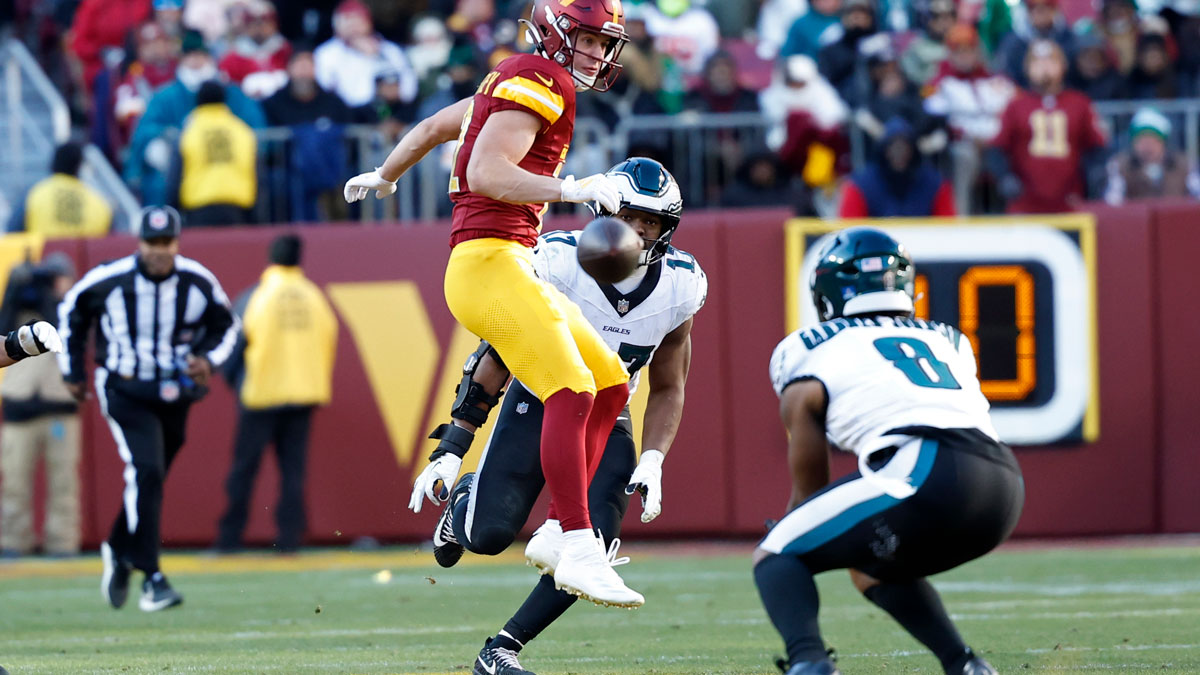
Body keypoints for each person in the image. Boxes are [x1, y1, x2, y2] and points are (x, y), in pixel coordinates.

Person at [343, 0, 643, 609]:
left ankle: (561, 528)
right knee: (571, 388)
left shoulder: (517, 76)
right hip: (488, 261)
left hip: (507, 260)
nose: (599, 52)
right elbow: (486, 171)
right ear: (558, 31)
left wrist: (385, 172)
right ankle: (580, 543)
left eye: (604, 40)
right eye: (588, 38)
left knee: (611, 383)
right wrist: (574, 188)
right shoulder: (539, 78)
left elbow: (431, 129)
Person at [426, 158, 705, 674]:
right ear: (602, 213)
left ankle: (502, 648)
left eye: (653, 223)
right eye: (632, 218)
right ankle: (464, 502)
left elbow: (669, 382)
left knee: (589, 545)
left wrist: (655, 457)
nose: (642, 233)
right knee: (488, 537)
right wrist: (454, 441)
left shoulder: (680, 285)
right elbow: (497, 353)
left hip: (608, 415)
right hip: (539, 401)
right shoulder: (554, 258)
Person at [758, 227, 1024, 675]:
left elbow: (804, 417)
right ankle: (964, 665)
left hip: (926, 467)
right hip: (1004, 485)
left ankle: (809, 663)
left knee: (776, 553)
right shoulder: (948, 339)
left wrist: (796, 516)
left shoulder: (807, 346)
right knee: (872, 567)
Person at [58, 205, 238, 612]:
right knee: (147, 470)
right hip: (124, 388)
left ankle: (119, 548)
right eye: (151, 242)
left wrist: (207, 360)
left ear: (177, 242)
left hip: (175, 392)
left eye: (166, 242)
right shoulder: (110, 279)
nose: (159, 250)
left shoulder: (196, 280)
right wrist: (72, 369)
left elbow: (227, 325)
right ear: (138, 242)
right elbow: (72, 311)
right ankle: (152, 576)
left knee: (151, 477)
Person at [215, 234, 337, 553]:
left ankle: (229, 540)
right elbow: (329, 338)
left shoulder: (256, 296)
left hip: (260, 396)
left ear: (270, 257)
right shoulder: (314, 297)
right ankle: (288, 541)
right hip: (303, 396)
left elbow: (234, 345)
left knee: (244, 470)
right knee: (293, 473)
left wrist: (235, 382)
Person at [0, 256, 75, 558]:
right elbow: (3, 333)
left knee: (64, 481)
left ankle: (63, 543)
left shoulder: (70, 306)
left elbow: (61, 328)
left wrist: (47, 294)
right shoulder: (18, 306)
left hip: (59, 406)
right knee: (14, 480)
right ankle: (13, 542)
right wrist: (12, 292)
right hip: (19, 404)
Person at [988, 40, 1107, 214]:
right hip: (1025, 205)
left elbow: (1097, 147)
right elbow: (996, 149)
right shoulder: (1015, 106)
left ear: (1063, 66)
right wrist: (1006, 178)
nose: (1044, 67)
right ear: (1027, 67)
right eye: (1037, 62)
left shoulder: (1079, 103)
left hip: (1070, 203)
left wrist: (1091, 178)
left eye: (1051, 61)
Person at [167, 81, 258, 226]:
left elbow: (176, 175)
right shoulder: (242, 131)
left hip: (199, 205)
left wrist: (172, 209)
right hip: (237, 206)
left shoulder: (189, 132)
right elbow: (256, 173)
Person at [839, 117, 956, 217]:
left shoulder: (935, 185)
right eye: (893, 147)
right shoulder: (860, 186)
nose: (899, 153)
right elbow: (850, 232)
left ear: (913, 151)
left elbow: (948, 231)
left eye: (904, 147)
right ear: (883, 151)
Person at [6, 141, 113, 238]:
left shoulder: (35, 194)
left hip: (42, 258)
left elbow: (12, 233)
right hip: (88, 259)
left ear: (53, 164)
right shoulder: (99, 203)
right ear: (79, 167)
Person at [1104, 107, 1200, 205]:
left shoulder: (1184, 165)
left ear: (1163, 142)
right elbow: (1113, 202)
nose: (1147, 146)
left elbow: (1197, 195)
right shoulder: (1120, 166)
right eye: (1141, 141)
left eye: (1152, 140)